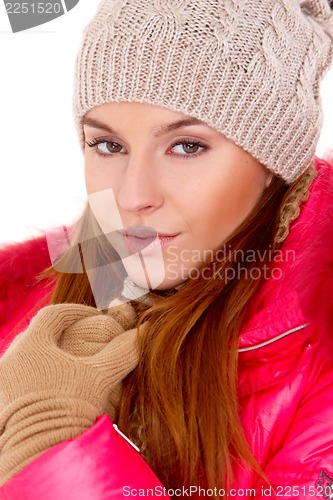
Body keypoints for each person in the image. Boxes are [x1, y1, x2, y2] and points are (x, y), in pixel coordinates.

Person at [0, 0, 333, 498]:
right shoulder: (29, 301)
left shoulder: (319, 361)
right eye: (109, 146)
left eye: (187, 147)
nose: (134, 197)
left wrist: (55, 443)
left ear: (272, 163)